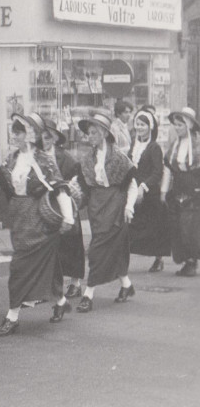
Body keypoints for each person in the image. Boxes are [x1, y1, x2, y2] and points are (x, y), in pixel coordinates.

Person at [0, 113, 75, 337]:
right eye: (14, 131)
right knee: (43, 268)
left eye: (18, 132)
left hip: (38, 220)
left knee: (19, 269)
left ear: (29, 135)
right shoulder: (11, 158)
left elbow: (60, 188)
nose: (14, 136)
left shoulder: (44, 160)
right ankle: (60, 301)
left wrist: (68, 217)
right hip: (19, 219)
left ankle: (12, 317)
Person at [76, 113, 138, 313]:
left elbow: (132, 185)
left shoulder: (119, 157)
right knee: (113, 250)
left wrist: (129, 207)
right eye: (88, 133)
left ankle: (88, 294)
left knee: (97, 251)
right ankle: (127, 285)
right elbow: (83, 186)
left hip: (115, 206)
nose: (89, 136)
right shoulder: (87, 159)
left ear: (104, 133)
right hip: (96, 208)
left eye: (94, 132)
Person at [35, 116, 86, 298]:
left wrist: (72, 188)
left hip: (65, 204)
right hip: (46, 207)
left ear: (56, 138)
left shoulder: (66, 158)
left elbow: (77, 181)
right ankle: (51, 285)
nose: (44, 141)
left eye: (48, 137)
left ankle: (75, 282)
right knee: (50, 247)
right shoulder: (36, 155)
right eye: (42, 137)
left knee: (72, 245)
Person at [128, 110, 170, 272]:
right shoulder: (134, 144)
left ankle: (158, 259)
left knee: (153, 228)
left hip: (149, 193)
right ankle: (124, 258)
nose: (139, 127)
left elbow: (157, 172)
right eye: (137, 124)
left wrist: (143, 187)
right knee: (132, 226)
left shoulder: (154, 147)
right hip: (134, 191)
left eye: (143, 124)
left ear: (150, 127)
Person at [161, 107, 200, 277]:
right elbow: (168, 169)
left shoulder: (198, 144)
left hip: (194, 189)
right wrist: (163, 191)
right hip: (178, 188)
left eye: (180, 125)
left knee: (189, 227)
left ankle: (192, 261)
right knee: (177, 225)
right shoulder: (175, 145)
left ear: (189, 125)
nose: (177, 128)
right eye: (175, 125)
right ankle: (185, 260)